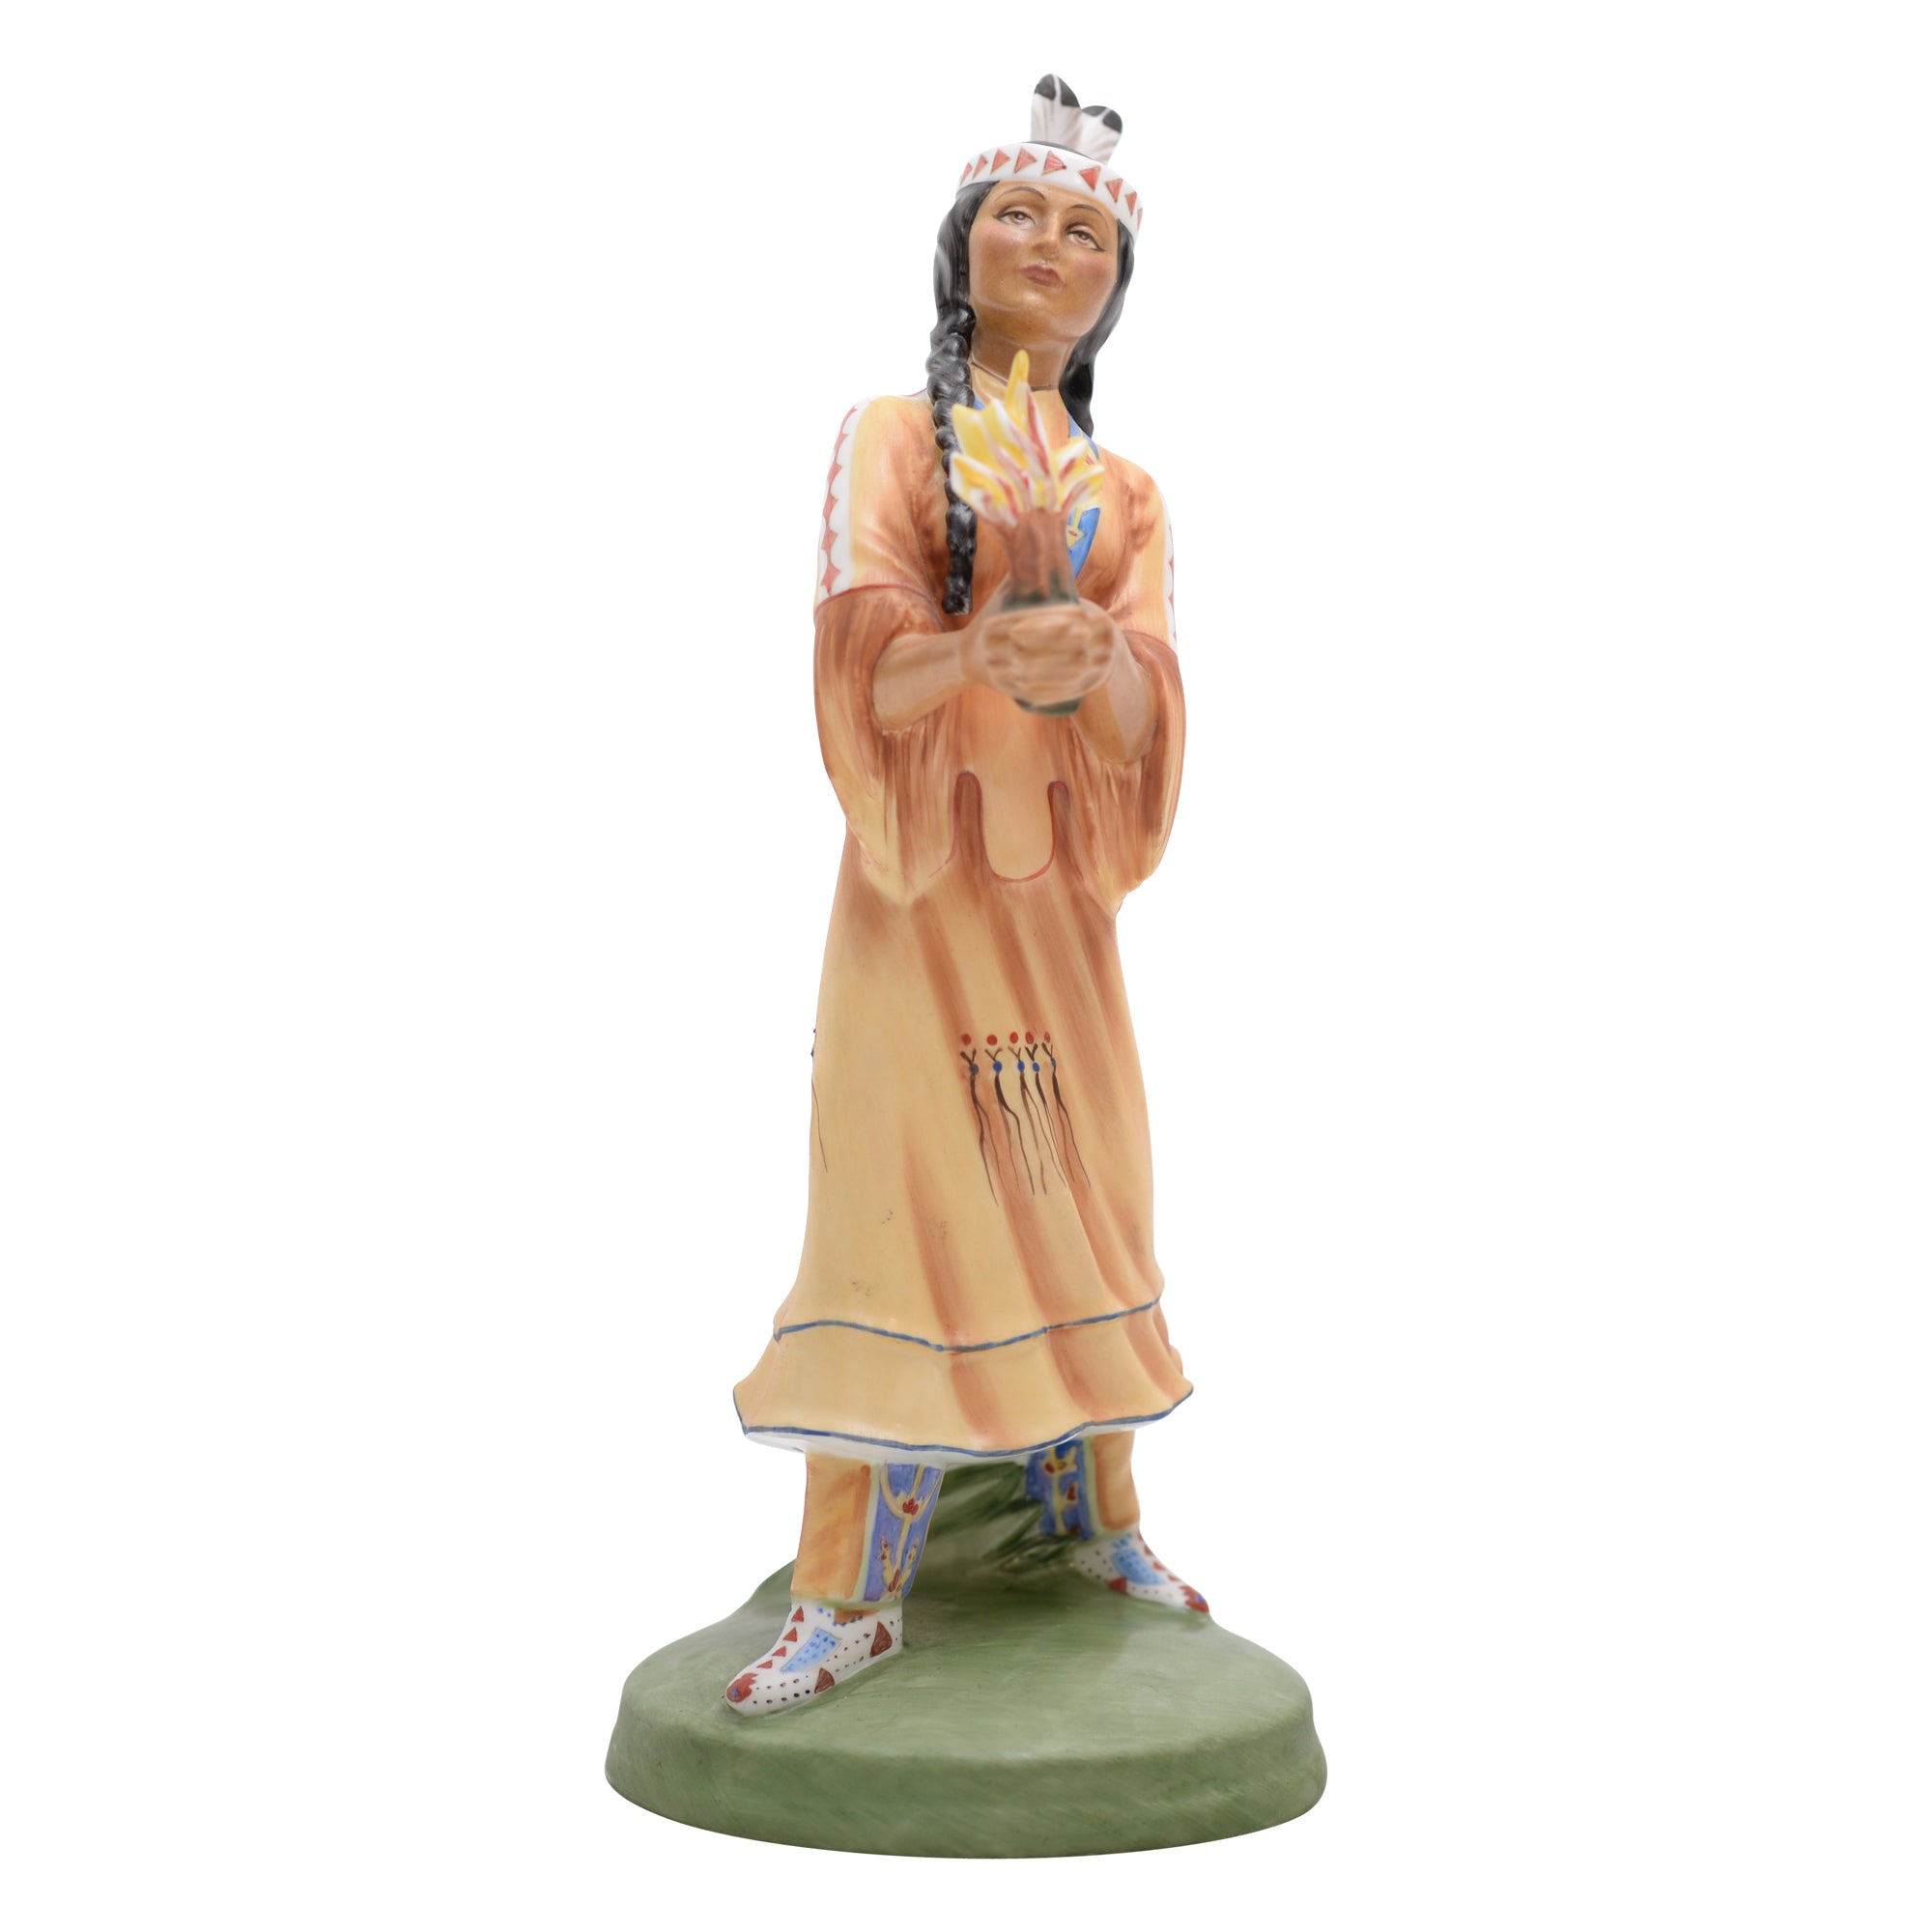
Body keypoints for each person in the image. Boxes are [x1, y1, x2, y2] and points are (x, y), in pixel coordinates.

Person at [725, 77, 1203, 1716]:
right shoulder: (889, 436)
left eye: (1088, 233)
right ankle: (848, 1591)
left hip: (1056, 906)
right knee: (900, 1212)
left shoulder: (1128, 491)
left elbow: (1152, 701)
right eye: (1020, 216)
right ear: (962, 247)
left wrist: (1097, 671)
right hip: (922, 898)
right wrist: (975, 652)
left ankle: (1086, 1519)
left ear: (1116, 285)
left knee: (1086, 1190)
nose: (1054, 246)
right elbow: (856, 659)